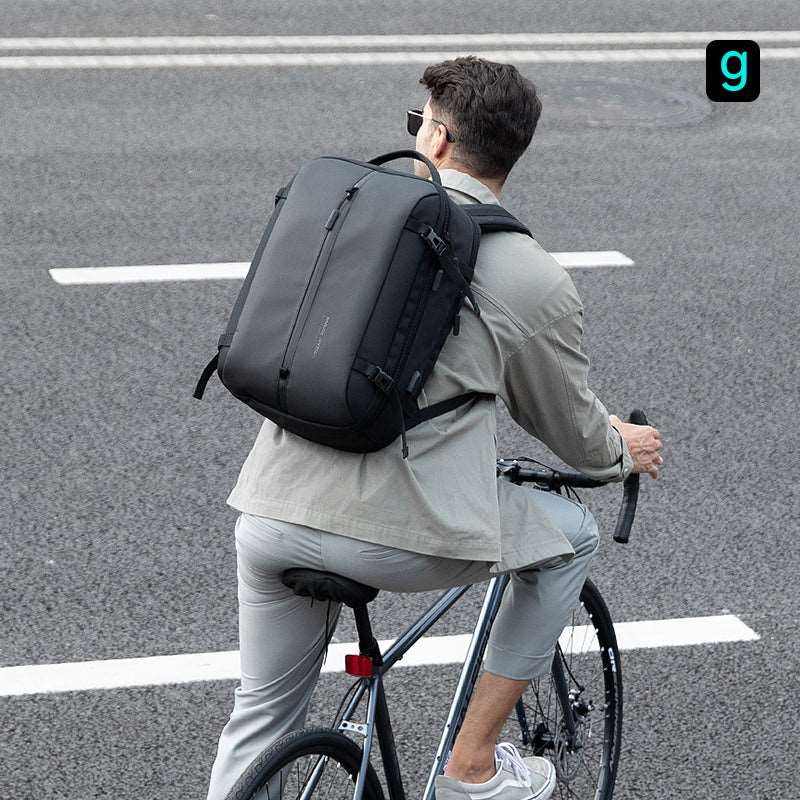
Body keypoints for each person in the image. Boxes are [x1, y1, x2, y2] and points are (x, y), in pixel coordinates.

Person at [204, 55, 664, 800]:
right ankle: (472, 765)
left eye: (416, 123)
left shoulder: (345, 216)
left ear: (439, 139)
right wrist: (623, 450)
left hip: (269, 513)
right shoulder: (530, 274)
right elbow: (571, 430)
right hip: (400, 534)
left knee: (259, 718)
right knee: (569, 536)